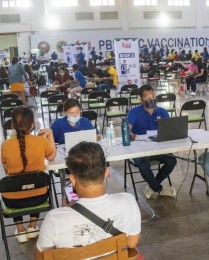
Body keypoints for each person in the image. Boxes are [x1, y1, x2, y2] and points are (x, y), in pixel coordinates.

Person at [35, 142, 141, 258]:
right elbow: (131, 243)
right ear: (106, 172)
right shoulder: (128, 201)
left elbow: (40, 257)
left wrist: (66, 212)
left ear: (72, 179)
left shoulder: (54, 219)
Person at [1, 106, 56, 243]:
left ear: (13, 125)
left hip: (13, 201)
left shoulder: (5, 145)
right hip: (38, 197)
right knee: (34, 185)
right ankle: (32, 226)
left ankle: (20, 229)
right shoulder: (41, 141)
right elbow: (52, 157)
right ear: (32, 125)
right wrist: (50, 135)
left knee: (15, 186)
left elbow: (8, 172)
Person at [127, 84, 177, 199]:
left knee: (172, 160)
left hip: (158, 145)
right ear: (141, 99)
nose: (151, 99)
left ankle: (152, 186)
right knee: (143, 163)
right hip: (140, 146)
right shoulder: (134, 112)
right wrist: (130, 133)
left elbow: (171, 128)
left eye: (152, 96)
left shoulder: (162, 111)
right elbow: (127, 128)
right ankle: (159, 189)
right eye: (147, 97)